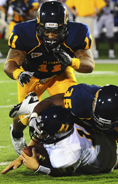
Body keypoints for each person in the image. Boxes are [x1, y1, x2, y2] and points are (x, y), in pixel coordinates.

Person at [3, 1, 95, 156]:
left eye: (56, 31)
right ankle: (16, 133)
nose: (51, 35)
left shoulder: (77, 32)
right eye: (47, 31)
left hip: (60, 74)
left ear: (65, 27)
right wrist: (19, 74)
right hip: (31, 76)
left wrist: (72, 61)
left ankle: (85, 147)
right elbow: (10, 63)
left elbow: (89, 65)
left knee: (74, 107)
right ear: (39, 26)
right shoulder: (23, 31)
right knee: (25, 117)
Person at [2, 106, 118, 176]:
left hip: (102, 166)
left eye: (46, 132)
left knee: (40, 153)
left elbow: (63, 171)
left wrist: (38, 167)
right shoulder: (69, 117)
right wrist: (21, 156)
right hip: (104, 144)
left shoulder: (69, 151)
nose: (40, 133)